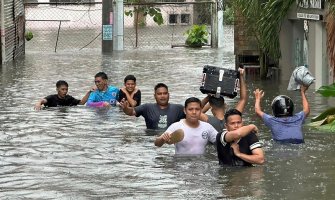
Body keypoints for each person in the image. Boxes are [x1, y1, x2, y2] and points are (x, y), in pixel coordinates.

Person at [200, 67, 247, 132]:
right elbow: (243, 99)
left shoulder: (208, 120)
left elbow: (196, 111)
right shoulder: (233, 119)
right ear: (225, 105)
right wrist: (241, 76)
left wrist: (208, 97)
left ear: (211, 107)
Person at [120, 83, 185, 129]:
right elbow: (131, 112)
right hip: (151, 142)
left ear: (168, 95)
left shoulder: (178, 108)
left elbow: (193, 117)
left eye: (165, 93)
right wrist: (125, 108)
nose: (162, 96)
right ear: (155, 96)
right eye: (159, 94)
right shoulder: (147, 108)